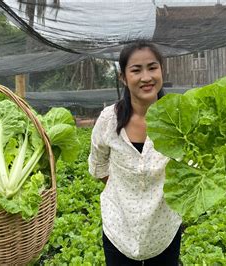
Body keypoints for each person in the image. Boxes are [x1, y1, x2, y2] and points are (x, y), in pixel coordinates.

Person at [88, 40, 182, 266]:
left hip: (164, 227)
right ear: (123, 77)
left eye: (152, 67)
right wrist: (127, 193)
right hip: (119, 227)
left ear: (161, 69)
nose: (146, 77)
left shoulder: (181, 119)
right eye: (136, 70)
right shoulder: (109, 120)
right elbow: (98, 166)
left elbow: (196, 166)